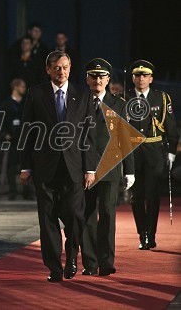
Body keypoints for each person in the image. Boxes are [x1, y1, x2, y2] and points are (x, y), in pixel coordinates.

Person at [19, 50, 96, 282]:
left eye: (64, 67)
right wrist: (25, 166)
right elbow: (27, 132)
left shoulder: (83, 95)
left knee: (75, 216)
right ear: (48, 69)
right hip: (45, 167)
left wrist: (90, 169)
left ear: (70, 69)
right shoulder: (36, 93)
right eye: (56, 67)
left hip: (74, 167)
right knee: (48, 219)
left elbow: (89, 135)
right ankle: (54, 267)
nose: (60, 71)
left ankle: (72, 257)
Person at [80, 58, 135, 276]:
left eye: (102, 76)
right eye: (93, 76)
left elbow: (126, 139)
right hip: (84, 169)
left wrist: (129, 170)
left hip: (110, 167)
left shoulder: (119, 104)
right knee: (87, 216)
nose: (97, 80)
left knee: (108, 215)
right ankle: (90, 263)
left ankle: (106, 262)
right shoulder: (78, 102)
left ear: (109, 79)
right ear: (87, 79)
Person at [126, 60, 178, 250]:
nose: (141, 79)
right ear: (133, 78)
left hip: (155, 151)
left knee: (152, 195)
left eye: (145, 75)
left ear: (151, 79)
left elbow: (171, 126)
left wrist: (171, 151)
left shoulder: (161, 98)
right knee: (136, 196)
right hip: (133, 151)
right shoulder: (125, 97)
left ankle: (151, 234)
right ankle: (142, 234)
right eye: (138, 75)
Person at [0, 78, 33, 201]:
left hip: (24, 139)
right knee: (12, 168)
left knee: (26, 167)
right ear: (15, 87)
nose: (24, 89)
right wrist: (4, 134)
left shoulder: (25, 103)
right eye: (22, 87)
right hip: (12, 140)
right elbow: (1, 121)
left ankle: (27, 192)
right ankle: (12, 192)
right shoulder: (6, 104)